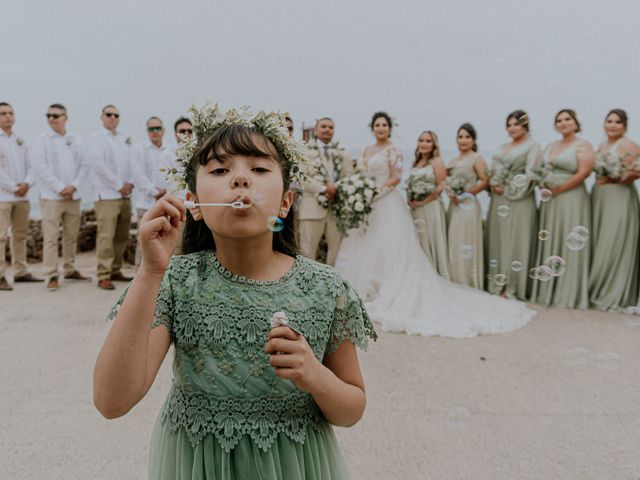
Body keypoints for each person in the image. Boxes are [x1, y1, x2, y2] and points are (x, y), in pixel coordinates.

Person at [94, 105, 376, 479]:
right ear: (193, 203)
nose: (241, 179)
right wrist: (150, 272)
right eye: (220, 169)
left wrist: (315, 375)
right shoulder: (174, 282)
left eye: (259, 169)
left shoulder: (327, 289)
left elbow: (352, 410)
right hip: (198, 466)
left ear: (285, 202)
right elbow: (112, 402)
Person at [335, 112, 534, 337]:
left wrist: (374, 194)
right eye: (377, 125)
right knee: (368, 245)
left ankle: (389, 289)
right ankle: (370, 287)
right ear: (372, 128)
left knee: (390, 246)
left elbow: (396, 177)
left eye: (384, 124)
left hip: (385, 201)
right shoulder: (366, 150)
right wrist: (360, 193)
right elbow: (362, 174)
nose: (381, 128)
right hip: (366, 204)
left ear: (390, 128)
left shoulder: (395, 151)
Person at [530, 109, 595, 309]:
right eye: (559, 120)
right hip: (551, 200)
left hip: (571, 198)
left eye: (568, 119)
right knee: (552, 237)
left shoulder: (583, 145)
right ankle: (547, 290)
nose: (563, 122)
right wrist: (542, 184)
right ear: (555, 125)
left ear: (576, 123)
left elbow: (584, 172)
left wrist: (559, 189)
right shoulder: (551, 146)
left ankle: (569, 293)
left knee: (570, 238)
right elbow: (542, 170)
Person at [30, 104, 91, 290]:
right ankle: (51, 274)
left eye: (55, 115)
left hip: (73, 196)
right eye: (48, 115)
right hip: (51, 197)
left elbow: (85, 165)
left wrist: (73, 186)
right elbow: (39, 166)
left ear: (65, 117)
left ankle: (70, 268)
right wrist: (59, 187)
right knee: (50, 237)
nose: (51, 119)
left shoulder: (76, 139)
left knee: (71, 236)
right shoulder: (42, 140)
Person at [484, 111, 542, 300]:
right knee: (500, 239)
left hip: (519, 199)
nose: (512, 128)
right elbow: (493, 171)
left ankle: (513, 287)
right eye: (509, 125)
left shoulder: (533, 147)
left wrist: (508, 187)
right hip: (499, 200)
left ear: (525, 125)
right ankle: (496, 282)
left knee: (517, 240)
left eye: (516, 124)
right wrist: (493, 182)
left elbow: (531, 174)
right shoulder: (503, 147)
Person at [589, 109, 640, 310]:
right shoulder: (602, 145)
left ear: (625, 126)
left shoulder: (629, 145)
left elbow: (634, 172)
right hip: (601, 198)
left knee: (615, 240)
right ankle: (599, 286)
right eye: (609, 121)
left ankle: (614, 291)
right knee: (601, 240)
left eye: (617, 122)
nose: (612, 125)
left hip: (619, 197)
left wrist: (613, 177)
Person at [85, 105, 134, 290]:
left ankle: (115, 269)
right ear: (102, 117)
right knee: (106, 236)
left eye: (116, 115)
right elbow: (99, 165)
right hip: (106, 195)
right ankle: (103, 274)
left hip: (125, 195)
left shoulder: (123, 139)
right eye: (109, 114)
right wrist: (118, 185)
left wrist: (129, 184)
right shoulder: (95, 138)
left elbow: (130, 164)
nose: (112, 117)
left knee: (121, 236)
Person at [299, 117, 355, 266]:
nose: (327, 129)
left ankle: (332, 285)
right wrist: (323, 188)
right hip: (311, 208)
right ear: (316, 130)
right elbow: (301, 178)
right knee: (307, 252)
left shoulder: (341, 153)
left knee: (336, 253)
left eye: (331, 127)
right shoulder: (304, 151)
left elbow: (349, 176)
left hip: (335, 210)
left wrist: (337, 188)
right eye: (323, 126)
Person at [0, 102, 42, 290]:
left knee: (20, 235)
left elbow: (31, 165)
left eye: (10, 113)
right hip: (3, 196)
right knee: (1, 237)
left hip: (22, 197)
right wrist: (12, 187)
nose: (8, 116)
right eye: (3, 113)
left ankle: (21, 271)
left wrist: (26, 184)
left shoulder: (21, 140)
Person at [446, 123, 488, 289]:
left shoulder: (477, 158)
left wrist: (464, 195)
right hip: (454, 206)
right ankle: (454, 278)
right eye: (460, 137)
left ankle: (467, 281)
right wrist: (450, 192)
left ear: (474, 140)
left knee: (466, 240)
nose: (463, 140)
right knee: (455, 241)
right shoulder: (454, 160)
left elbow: (485, 181)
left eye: (467, 137)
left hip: (468, 206)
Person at [406, 130, 449, 278]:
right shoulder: (416, 162)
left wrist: (423, 201)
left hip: (431, 207)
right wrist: (409, 198)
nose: (424, 144)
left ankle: (435, 274)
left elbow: (441, 186)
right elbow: (411, 183)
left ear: (434, 144)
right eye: (421, 140)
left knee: (431, 240)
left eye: (428, 141)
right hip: (416, 209)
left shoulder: (437, 162)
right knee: (419, 241)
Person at [131, 117, 174, 265]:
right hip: (145, 204)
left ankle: (163, 280)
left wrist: (166, 192)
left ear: (163, 130)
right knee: (142, 242)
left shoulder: (171, 150)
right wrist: (155, 192)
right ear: (147, 131)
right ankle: (138, 279)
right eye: (151, 129)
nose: (155, 131)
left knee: (166, 241)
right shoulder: (139, 149)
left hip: (167, 204)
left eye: (158, 128)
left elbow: (175, 176)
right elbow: (138, 174)